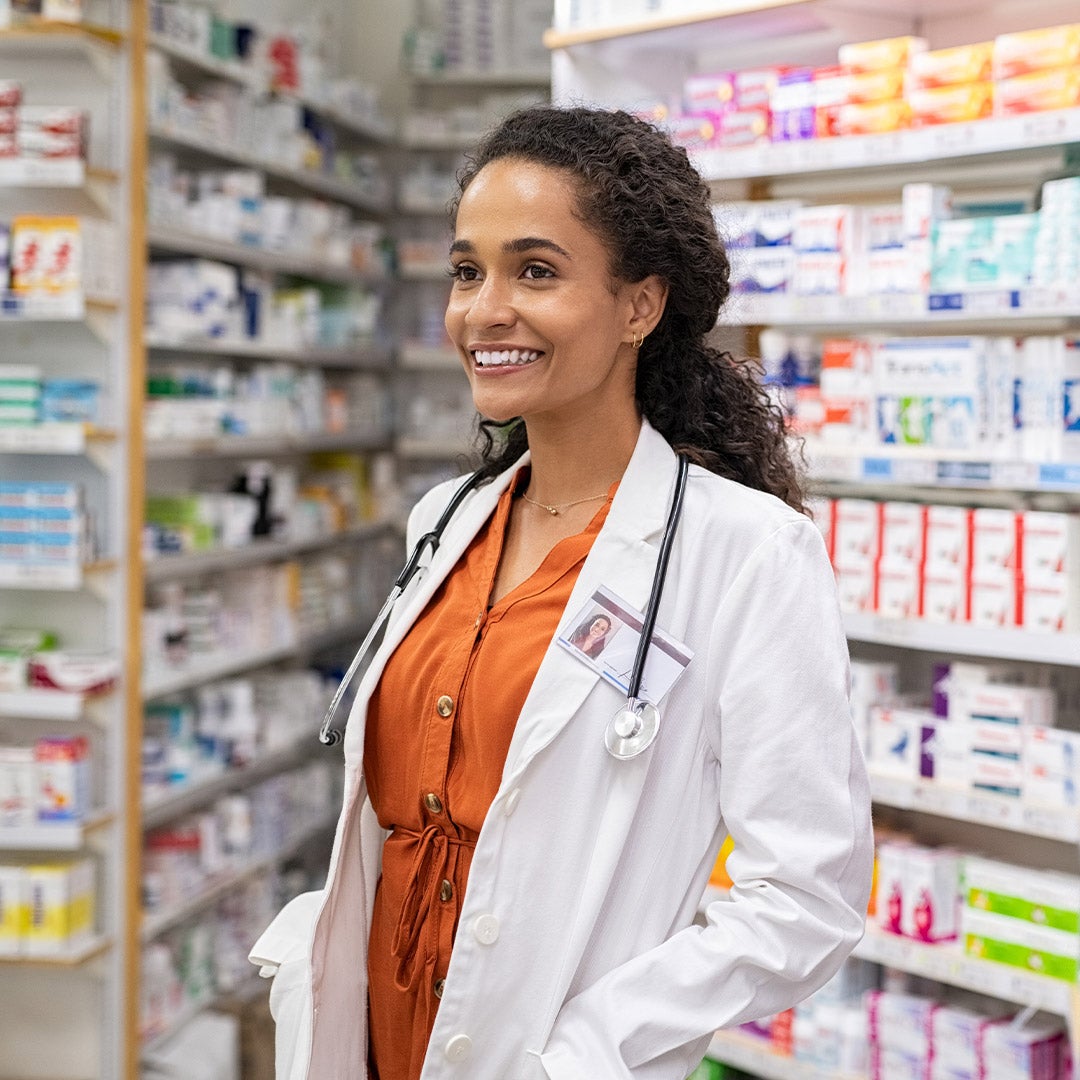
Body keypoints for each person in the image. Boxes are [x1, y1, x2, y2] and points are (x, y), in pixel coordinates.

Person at [250, 104, 874, 1080]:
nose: (484, 310)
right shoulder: (441, 523)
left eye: (534, 271)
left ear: (640, 305)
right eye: (468, 271)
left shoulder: (745, 553)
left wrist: (587, 1050)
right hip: (374, 1044)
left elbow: (808, 897)